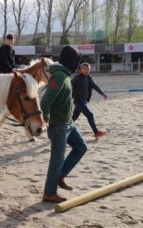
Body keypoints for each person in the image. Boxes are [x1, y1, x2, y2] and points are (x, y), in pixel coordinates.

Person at [40, 46, 88, 203]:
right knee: (57, 159)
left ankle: (60, 176)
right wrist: (45, 121)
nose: (78, 65)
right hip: (58, 127)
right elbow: (45, 102)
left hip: (68, 124)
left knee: (81, 147)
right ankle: (49, 193)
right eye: (77, 61)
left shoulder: (65, 75)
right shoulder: (59, 76)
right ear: (71, 61)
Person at [71, 63, 107, 138]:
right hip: (78, 101)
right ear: (81, 70)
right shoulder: (77, 78)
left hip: (84, 101)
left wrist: (102, 93)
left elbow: (95, 86)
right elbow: (69, 85)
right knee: (90, 115)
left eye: (87, 69)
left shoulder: (89, 78)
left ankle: (63, 129)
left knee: (74, 118)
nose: (86, 70)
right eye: (84, 69)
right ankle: (96, 132)